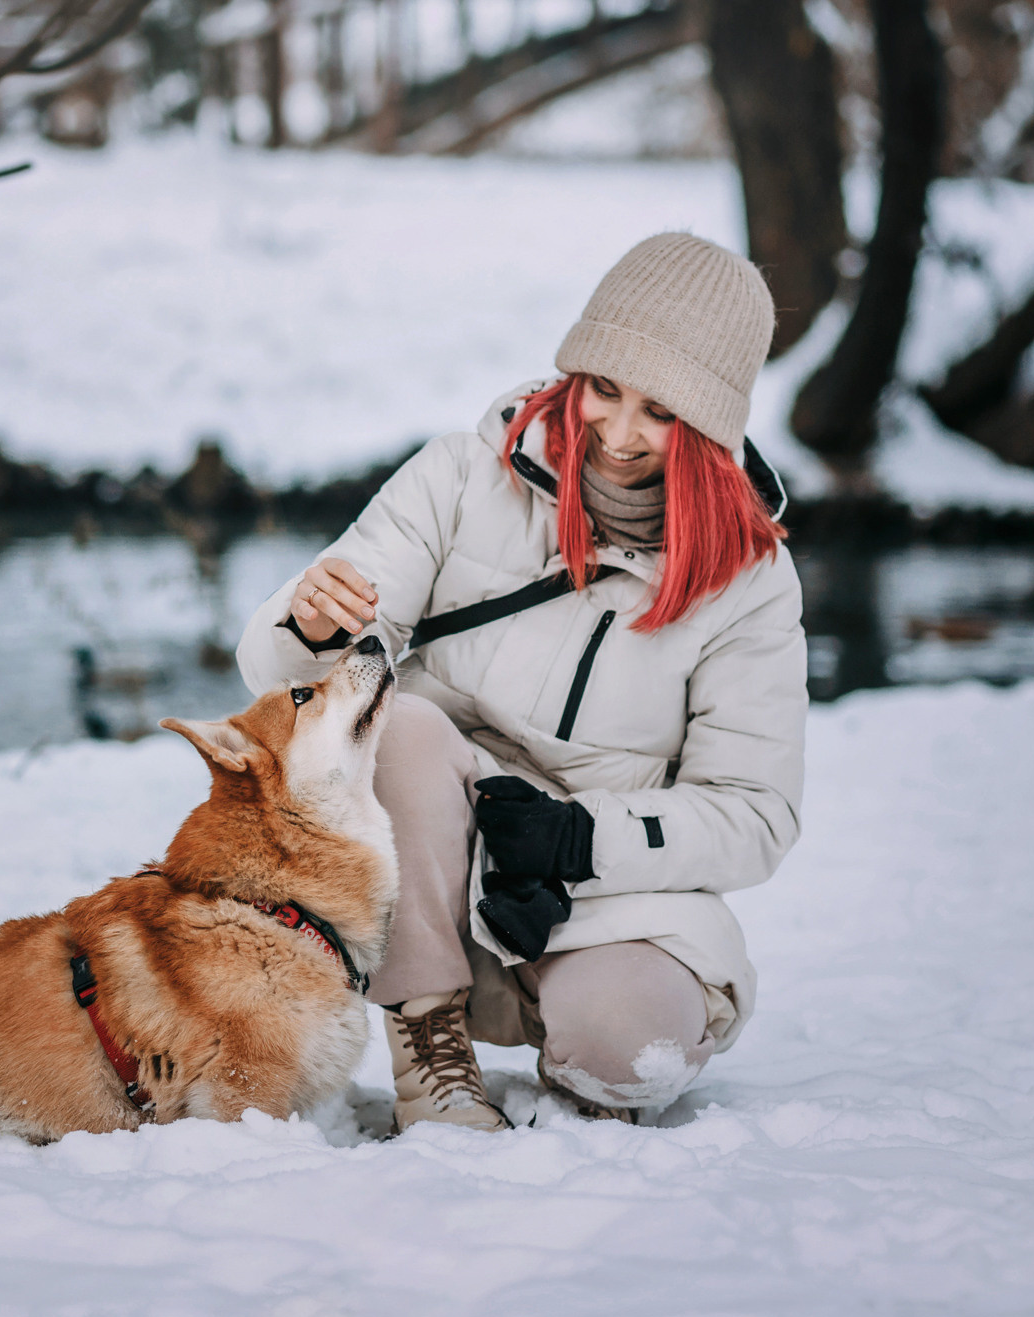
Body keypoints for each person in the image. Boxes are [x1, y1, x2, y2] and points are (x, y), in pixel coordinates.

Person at [235, 233, 806, 1129]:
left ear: (709, 425)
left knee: (634, 1048)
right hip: (424, 857)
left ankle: (579, 1065)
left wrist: (581, 840)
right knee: (402, 720)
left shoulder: (751, 583)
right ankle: (430, 1050)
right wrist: (311, 631)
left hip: (602, 887)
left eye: (658, 410)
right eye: (603, 390)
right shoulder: (459, 478)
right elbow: (301, 687)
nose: (617, 435)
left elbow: (755, 812)